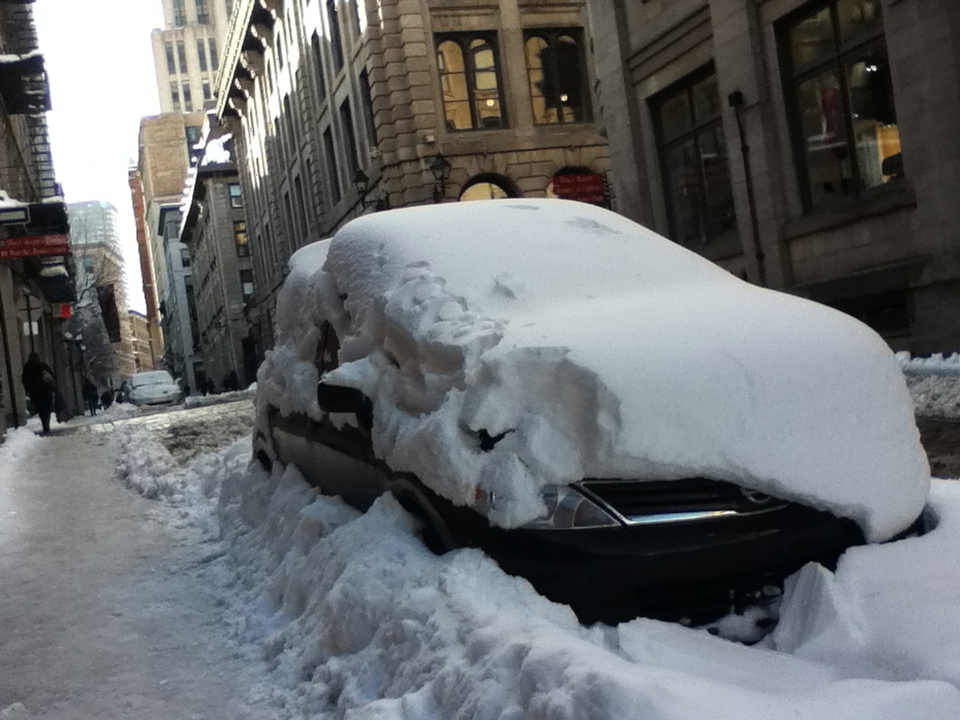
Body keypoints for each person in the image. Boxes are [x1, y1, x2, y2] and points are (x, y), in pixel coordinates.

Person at [21, 352, 56, 433]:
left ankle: (44, 423)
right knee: (48, 408)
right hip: (46, 390)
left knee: (41, 409)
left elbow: (24, 379)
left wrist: (28, 389)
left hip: (35, 392)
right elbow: (52, 374)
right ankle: (47, 423)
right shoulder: (42, 365)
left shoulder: (27, 367)